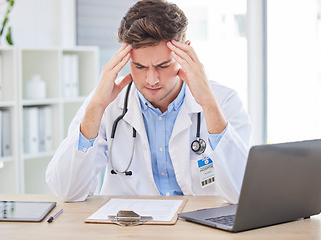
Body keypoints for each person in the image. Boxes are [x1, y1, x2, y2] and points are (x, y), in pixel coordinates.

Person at [46, 0, 252, 204]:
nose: (151, 80)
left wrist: (208, 104)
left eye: (163, 65)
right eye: (140, 66)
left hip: (199, 229)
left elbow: (240, 192)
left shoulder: (224, 101)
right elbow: (67, 191)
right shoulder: (105, 102)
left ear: (185, 53)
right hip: (129, 231)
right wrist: (96, 107)